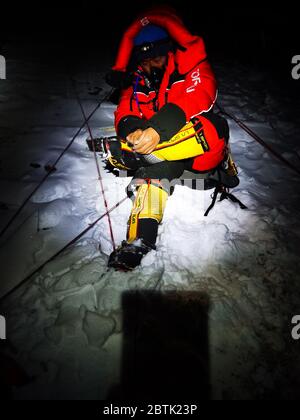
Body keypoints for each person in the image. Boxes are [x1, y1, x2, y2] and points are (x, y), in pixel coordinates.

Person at [105, 8, 239, 271]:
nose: (149, 66)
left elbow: (200, 93)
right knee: (151, 174)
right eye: (143, 61)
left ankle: (132, 154)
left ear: (167, 51)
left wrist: (155, 131)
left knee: (212, 125)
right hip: (166, 159)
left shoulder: (190, 65)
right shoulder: (139, 79)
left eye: (155, 59)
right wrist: (132, 129)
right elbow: (126, 109)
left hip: (200, 153)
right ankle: (140, 241)